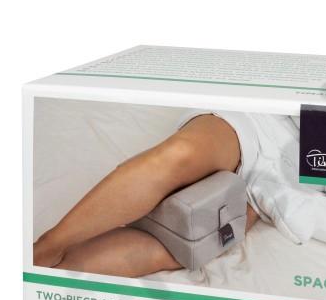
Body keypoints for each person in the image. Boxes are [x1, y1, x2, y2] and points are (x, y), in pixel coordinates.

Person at [33, 114, 260, 277]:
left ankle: (49, 276)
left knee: (186, 247)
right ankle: (47, 247)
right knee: (179, 154)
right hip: (256, 122)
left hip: (276, 182)